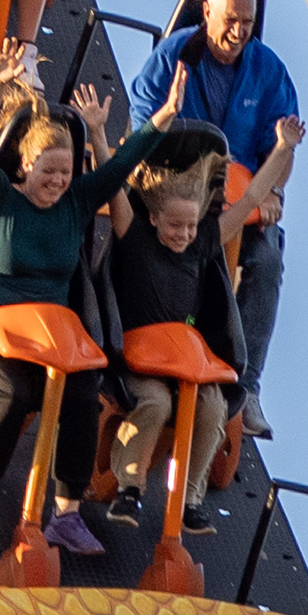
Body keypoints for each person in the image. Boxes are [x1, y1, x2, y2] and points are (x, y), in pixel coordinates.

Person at [0, 43, 169, 568]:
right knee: (18, 393)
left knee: (83, 392)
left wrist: (160, 119)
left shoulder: (73, 203)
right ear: (25, 165)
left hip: (55, 336)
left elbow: (120, 169)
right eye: (48, 171)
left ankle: (65, 513)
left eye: (66, 172)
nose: (58, 182)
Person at [133, 0, 306, 405]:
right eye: (229, 21)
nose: (237, 32)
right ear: (206, 12)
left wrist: (274, 191)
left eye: (247, 24)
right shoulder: (174, 55)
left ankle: (244, 389)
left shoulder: (269, 72)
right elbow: (139, 125)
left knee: (267, 259)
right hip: (174, 188)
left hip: (238, 195)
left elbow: (280, 153)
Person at [97, 131, 246, 506]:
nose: (184, 234)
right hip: (140, 359)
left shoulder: (200, 247)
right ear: (153, 217)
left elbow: (252, 200)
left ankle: (189, 499)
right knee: (156, 404)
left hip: (185, 362)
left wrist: (282, 149)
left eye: (191, 227)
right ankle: (130, 486)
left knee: (214, 406)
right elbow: (113, 182)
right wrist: (100, 134)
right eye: (174, 226)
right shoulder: (135, 238)